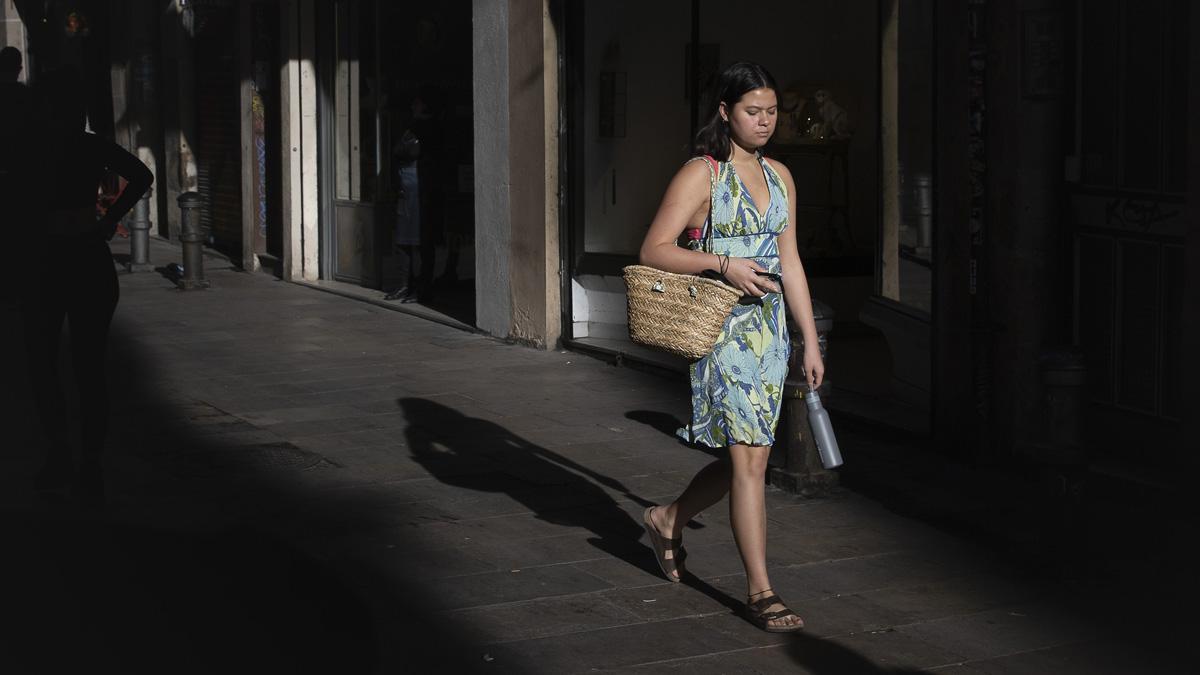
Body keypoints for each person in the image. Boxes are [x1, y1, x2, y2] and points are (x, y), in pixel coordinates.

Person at [637, 62, 824, 633]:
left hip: (769, 332)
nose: (765, 121)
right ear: (725, 112)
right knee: (748, 459)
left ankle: (668, 517)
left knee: (752, 458)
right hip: (722, 329)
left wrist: (808, 340)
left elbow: (790, 263)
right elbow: (653, 250)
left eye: (772, 111)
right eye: (752, 111)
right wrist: (723, 262)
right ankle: (761, 592)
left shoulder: (783, 177)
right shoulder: (702, 174)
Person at [21, 67, 153, 504]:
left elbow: (140, 177)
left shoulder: (33, 147)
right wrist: (109, 220)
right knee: (86, 368)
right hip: (81, 258)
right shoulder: (85, 145)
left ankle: (66, 455)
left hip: (48, 260)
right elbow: (141, 176)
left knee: (49, 365)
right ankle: (86, 462)